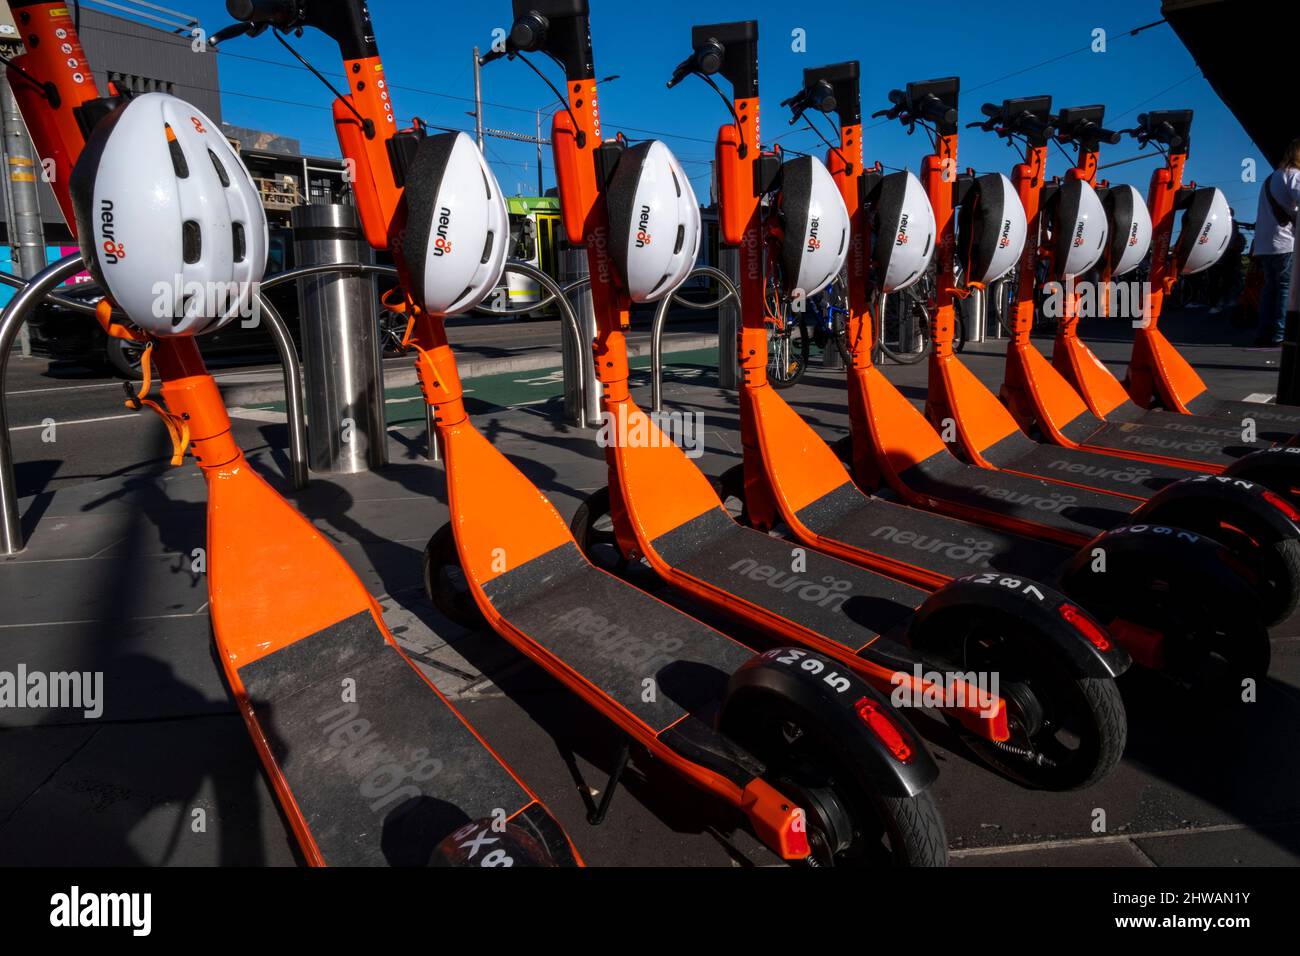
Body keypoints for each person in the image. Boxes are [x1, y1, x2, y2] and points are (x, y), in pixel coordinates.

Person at [1250, 138, 1300, 348]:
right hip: (1284, 242)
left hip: (1264, 244)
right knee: (1285, 290)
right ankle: (1280, 334)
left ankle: (1264, 332)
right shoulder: (1295, 175)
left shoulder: (1271, 178)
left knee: (1270, 289)